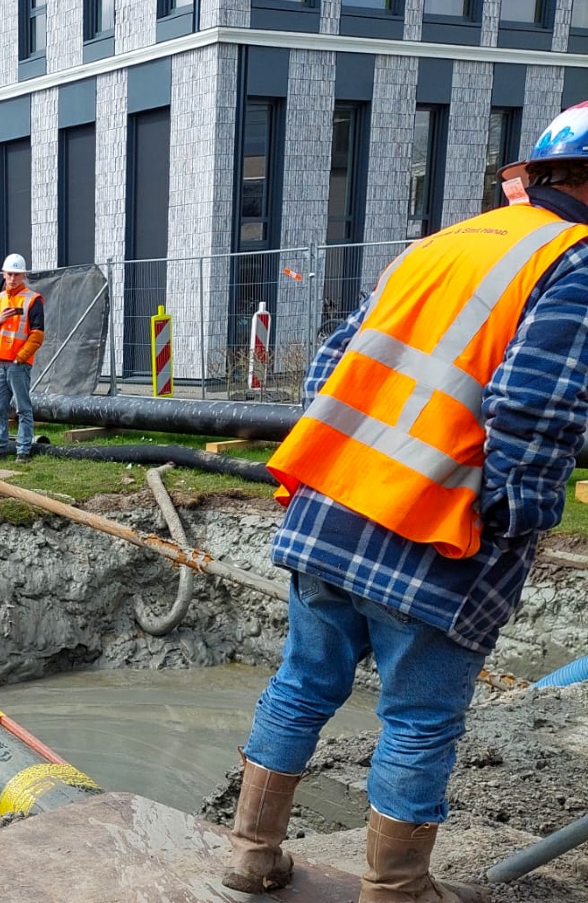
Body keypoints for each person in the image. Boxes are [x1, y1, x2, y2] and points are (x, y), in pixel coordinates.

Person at [223, 103, 588, 903]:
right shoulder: (576, 263)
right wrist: (519, 515)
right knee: (419, 717)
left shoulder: (447, 241)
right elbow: (538, 407)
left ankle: (252, 857)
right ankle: (395, 891)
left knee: (299, 685)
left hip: (333, 506)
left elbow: (330, 363)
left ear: (542, 174)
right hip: (435, 527)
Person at [0, 253, 44, 465]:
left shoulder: (33, 300)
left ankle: (23, 451)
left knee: (23, 408)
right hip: (0, 363)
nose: (12, 278)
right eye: (9, 274)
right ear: (4, 274)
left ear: (23, 275)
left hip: (18, 364)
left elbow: (37, 335)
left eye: (16, 274)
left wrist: (20, 358)